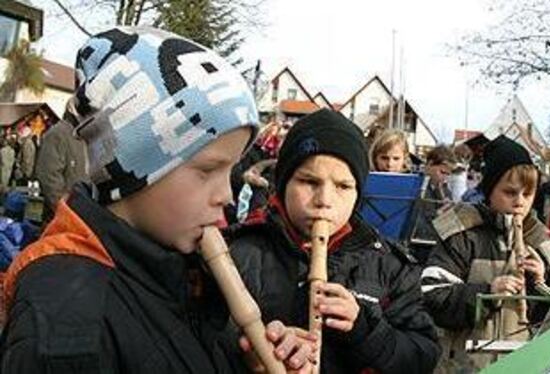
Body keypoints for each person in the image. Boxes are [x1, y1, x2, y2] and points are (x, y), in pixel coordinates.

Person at [0, 27, 314, 373]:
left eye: (231, 169)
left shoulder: (176, 263)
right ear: (133, 168)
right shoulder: (67, 328)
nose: (226, 195)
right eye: (208, 170)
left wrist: (244, 362)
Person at [224, 108, 440, 373]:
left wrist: (365, 330)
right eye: (309, 181)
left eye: (342, 186)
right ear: (283, 184)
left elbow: (423, 356)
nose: (324, 200)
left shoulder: (389, 265)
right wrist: (249, 357)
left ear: (358, 193)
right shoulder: (238, 254)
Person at [421, 135, 550, 371]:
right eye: (510, 192)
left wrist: (542, 280)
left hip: (522, 363)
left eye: (528, 194)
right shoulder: (463, 234)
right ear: (490, 190)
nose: (520, 202)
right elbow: (433, 296)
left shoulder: (541, 241)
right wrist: (487, 293)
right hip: (465, 364)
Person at [34, 98, 89, 223]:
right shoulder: (58, 134)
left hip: (84, 212)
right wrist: (61, 208)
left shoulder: (84, 134)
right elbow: (48, 176)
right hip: (64, 215)